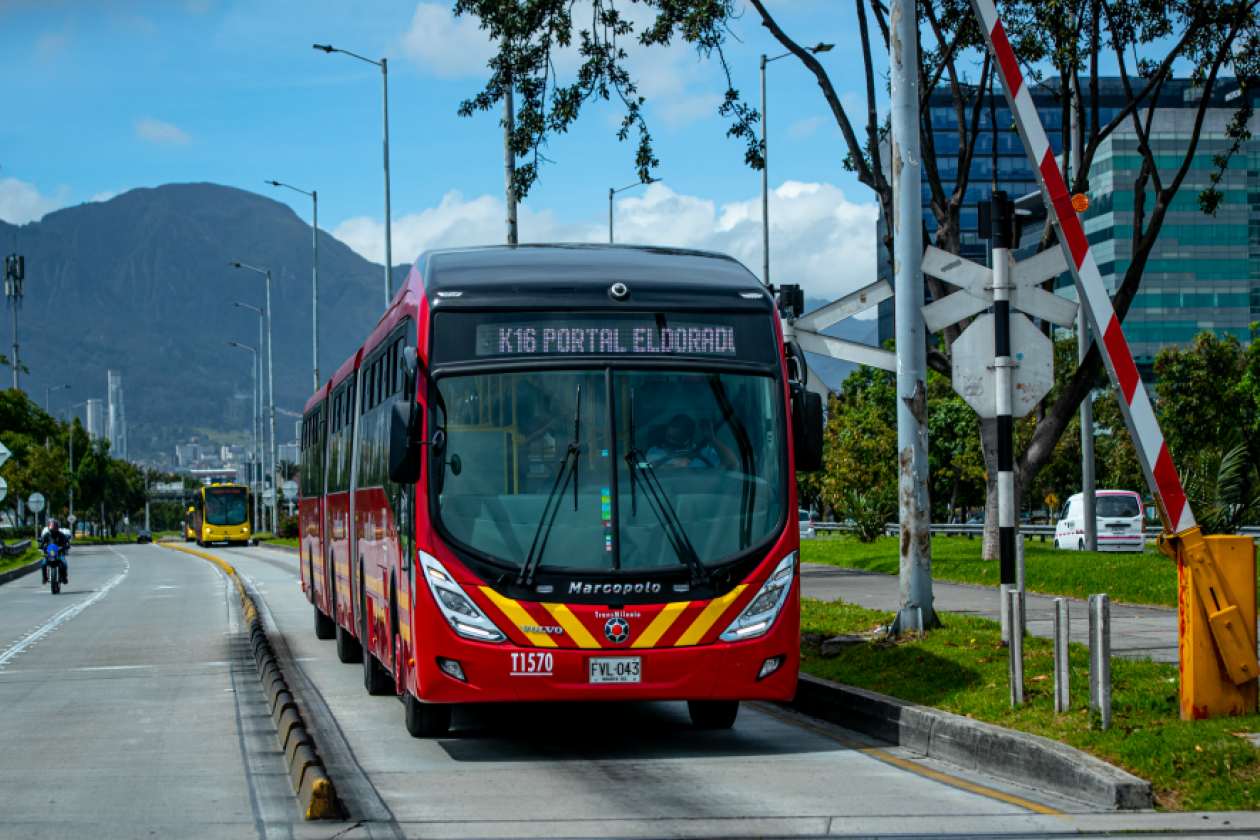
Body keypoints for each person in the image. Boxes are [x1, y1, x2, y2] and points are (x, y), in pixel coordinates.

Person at [645, 413, 739, 471]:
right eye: (668, 436)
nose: (670, 441)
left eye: (675, 439)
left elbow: (733, 465)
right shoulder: (657, 450)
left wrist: (712, 438)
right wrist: (674, 467)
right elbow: (647, 466)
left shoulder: (705, 453)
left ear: (689, 440)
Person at [40, 520, 69, 585]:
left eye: (54, 530)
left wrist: (65, 546)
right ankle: (44, 577)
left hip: (59, 553)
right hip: (49, 553)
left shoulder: (61, 535)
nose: (53, 532)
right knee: (43, 563)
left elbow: (65, 541)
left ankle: (64, 577)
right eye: (51, 530)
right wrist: (41, 545)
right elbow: (42, 542)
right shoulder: (46, 535)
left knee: (64, 563)